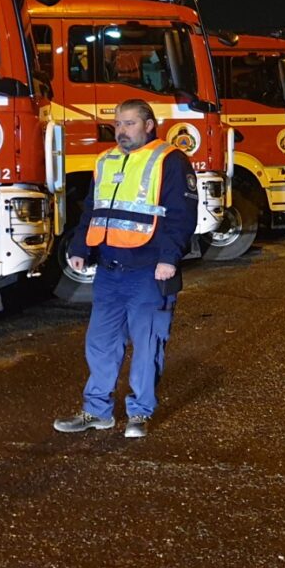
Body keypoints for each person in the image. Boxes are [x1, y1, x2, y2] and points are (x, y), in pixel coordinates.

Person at [53, 99, 197, 438]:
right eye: (118, 124)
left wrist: (168, 259)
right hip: (109, 269)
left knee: (147, 344)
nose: (121, 131)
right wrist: (79, 246)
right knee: (100, 343)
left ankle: (140, 413)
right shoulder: (106, 161)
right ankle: (97, 411)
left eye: (130, 123)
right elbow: (93, 208)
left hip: (149, 270)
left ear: (149, 125)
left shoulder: (171, 160)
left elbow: (181, 215)